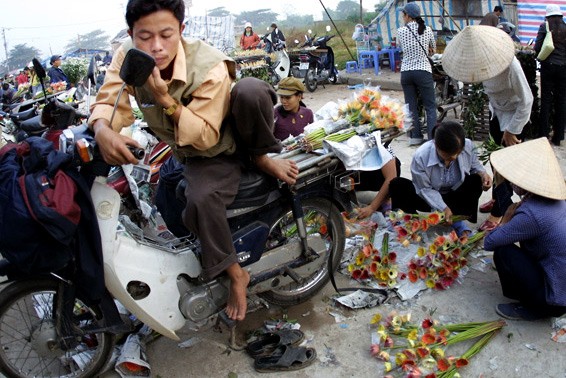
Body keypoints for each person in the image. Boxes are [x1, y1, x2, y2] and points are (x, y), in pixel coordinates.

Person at [88, 0, 298, 322]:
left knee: (201, 198)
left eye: (166, 35)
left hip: (218, 146)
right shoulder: (128, 57)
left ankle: (235, 272)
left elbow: (205, 137)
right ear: (131, 34)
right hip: (185, 151)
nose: (156, 47)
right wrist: (103, 129)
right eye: (144, 37)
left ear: (181, 31)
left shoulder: (209, 64)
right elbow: (110, 99)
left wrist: (162, 98)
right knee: (165, 203)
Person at [441, 25, 533, 232]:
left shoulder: (512, 67)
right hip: (496, 114)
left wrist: (512, 130)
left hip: (514, 118)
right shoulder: (481, 64)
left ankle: (499, 211)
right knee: (493, 162)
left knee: (506, 169)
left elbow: (527, 101)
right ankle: (496, 199)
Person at [484, 138, 566, 321]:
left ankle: (535, 308)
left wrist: (504, 221)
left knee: (503, 251)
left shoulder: (532, 214)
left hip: (556, 300)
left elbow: (489, 242)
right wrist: (500, 186)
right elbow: (515, 210)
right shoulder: (557, 198)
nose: (511, 181)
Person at [389, 121, 492, 237]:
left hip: (453, 196)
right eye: (447, 156)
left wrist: (483, 175)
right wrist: (443, 207)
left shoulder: (467, 146)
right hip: (427, 198)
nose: (453, 158)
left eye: (457, 154)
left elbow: (475, 166)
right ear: (436, 145)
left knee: (475, 180)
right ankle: (409, 224)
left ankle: (458, 222)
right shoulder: (421, 156)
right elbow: (425, 189)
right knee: (397, 185)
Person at [397, 2, 437, 146]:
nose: (403, 17)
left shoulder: (401, 31)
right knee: (430, 106)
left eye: (403, 14)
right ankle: (432, 139)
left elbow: (401, 48)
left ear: (408, 16)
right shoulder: (427, 30)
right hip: (423, 71)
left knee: (411, 106)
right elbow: (433, 49)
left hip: (406, 72)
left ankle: (416, 136)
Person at [534, 4, 566, 146]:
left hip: (548, 67)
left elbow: (537, 48)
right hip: (563, 68)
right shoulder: (565, 27)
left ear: (548, 15)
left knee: (546, 100)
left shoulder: (545, 27)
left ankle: (543, 134)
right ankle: (558, 136)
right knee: (562, 101)